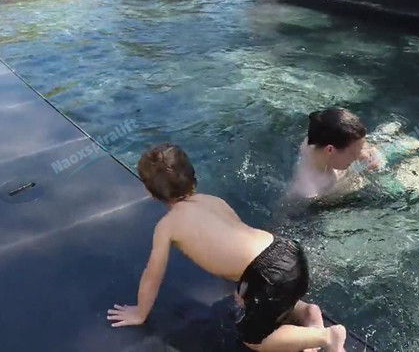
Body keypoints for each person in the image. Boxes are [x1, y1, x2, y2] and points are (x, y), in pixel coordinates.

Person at [108, 143, 347, 352]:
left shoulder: (167, 225)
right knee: (261, 300)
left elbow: (153, 274)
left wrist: (140, 312)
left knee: (254, 339)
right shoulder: (213, 201)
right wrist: (244, 289)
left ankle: (327, 337)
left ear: (152, 194)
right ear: (193, 177)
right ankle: (307, 314)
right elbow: (240, 242)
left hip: (270, 275)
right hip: (286, 251)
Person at [287, 108, 385, 201]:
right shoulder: (310, 192)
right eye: (352, 153)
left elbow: (353, 138)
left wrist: (366, 150)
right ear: (330, 150)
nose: (356, 157)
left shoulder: (315, 138)